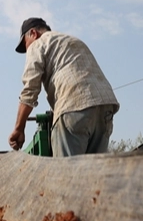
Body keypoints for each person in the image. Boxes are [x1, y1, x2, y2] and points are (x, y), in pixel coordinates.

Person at [9, 18, 119, 156]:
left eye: (26, 45)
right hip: (105, 108)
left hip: (73, 106)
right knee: (93, 175)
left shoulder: (38, 43)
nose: (27, 49)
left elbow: (30, 89)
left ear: (33, 33)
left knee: (65, 174)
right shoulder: (72, 40)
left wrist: (19, 128)